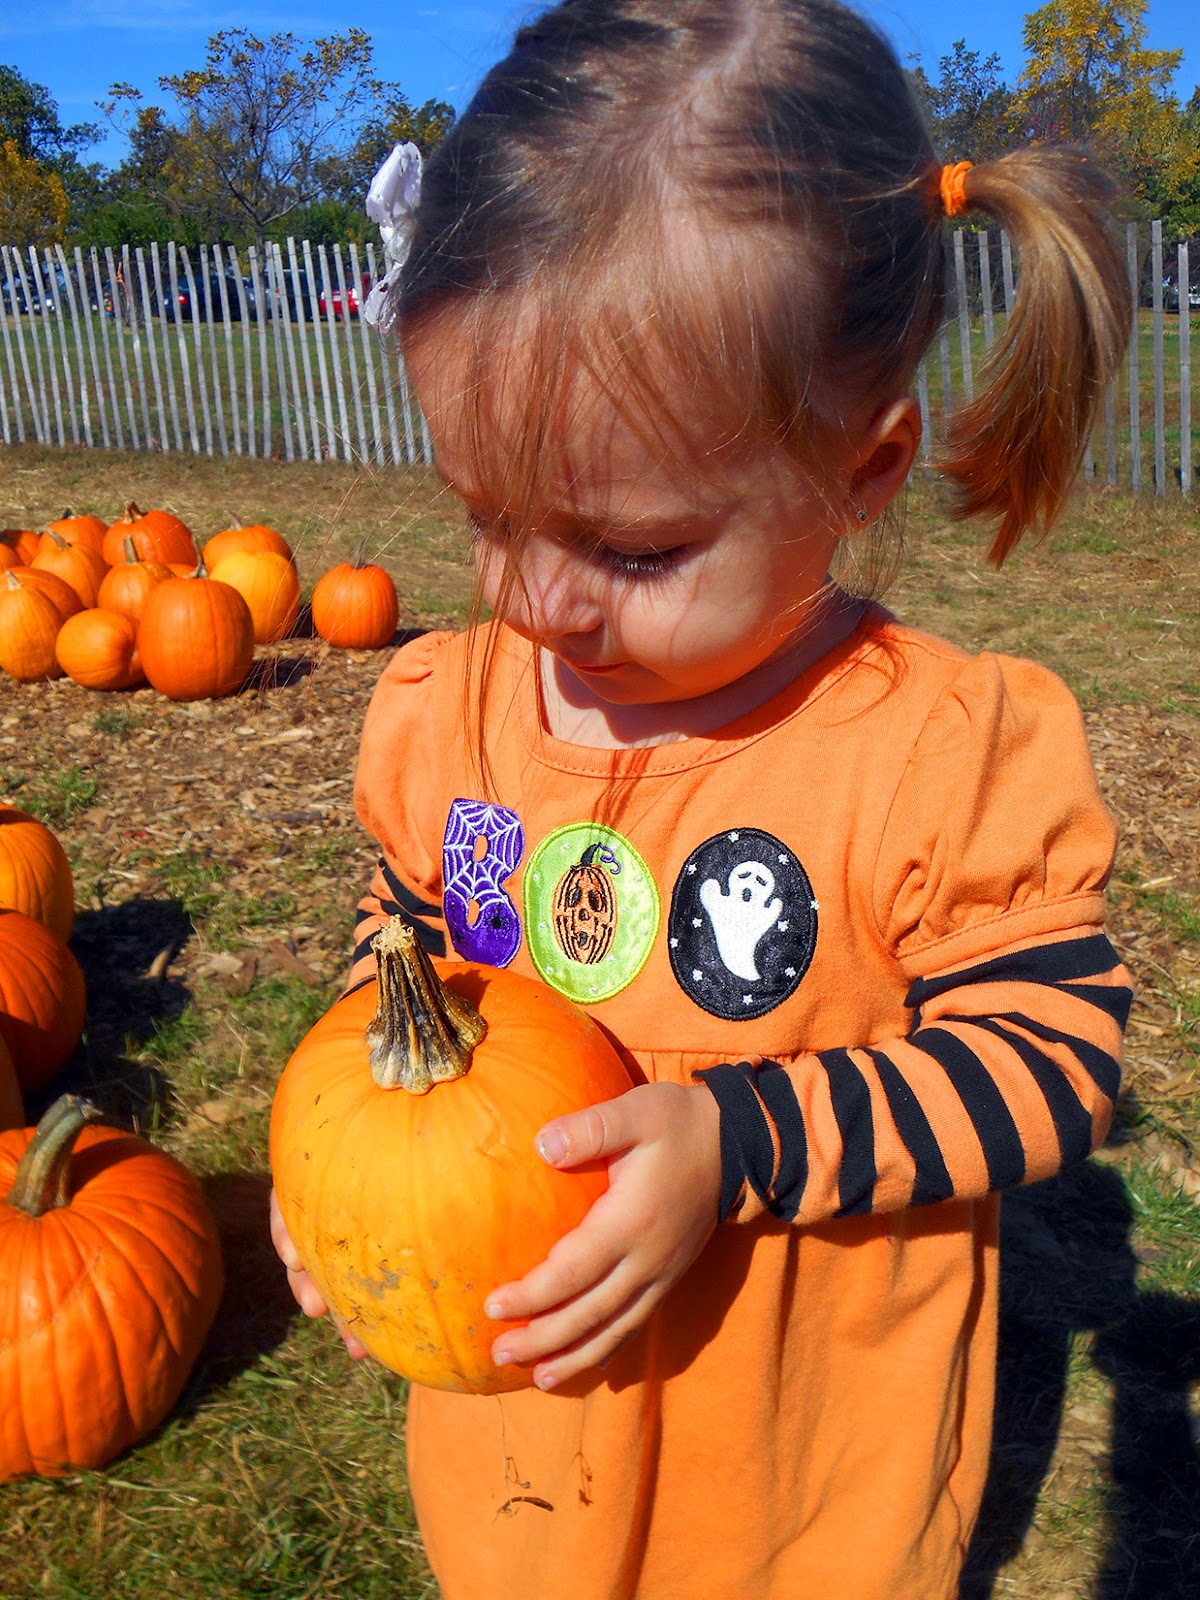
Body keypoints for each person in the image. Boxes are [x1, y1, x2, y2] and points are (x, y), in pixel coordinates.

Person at [270, 2, 1135, 1594]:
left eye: (633, 549)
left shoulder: (927, 754)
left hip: (792, 1490)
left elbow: (1052, 1056)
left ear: (861, 471)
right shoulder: (458, 713)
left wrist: (744, 1141)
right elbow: (414, 934)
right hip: (529, 1477)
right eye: (486, 514)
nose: (538, 601)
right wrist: (351, 1129)